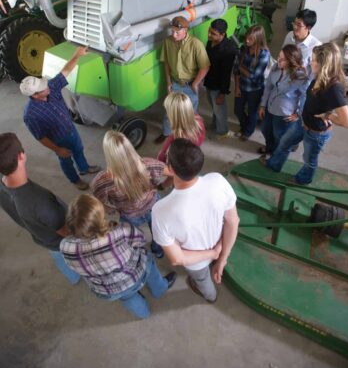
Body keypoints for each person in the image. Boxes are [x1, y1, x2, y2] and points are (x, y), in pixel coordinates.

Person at [60, 195, 177, 319]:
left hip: (109, 289)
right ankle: (160, 289)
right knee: (149, 260)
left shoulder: (65, 247)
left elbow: (73, 266)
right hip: (136, 273)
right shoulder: (121, 230)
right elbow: (140, 240)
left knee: (128, 297)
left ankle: (144, 314)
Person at [152, 139, 239, 303]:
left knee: (202, 279)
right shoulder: (218, 181)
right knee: (206, 277)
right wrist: (222, 258)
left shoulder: (160, 211)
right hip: (219, 241)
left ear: (169, 169)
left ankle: (210, 296)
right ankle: (210, 294)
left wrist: (213, 254)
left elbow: (177, 259)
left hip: (196, 262)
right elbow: (233, 221)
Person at [261, 43, 348, 185]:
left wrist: (328, 116)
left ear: (324, 64)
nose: (311, 62)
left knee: (309, 159)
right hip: (302, 123)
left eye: (314, 60)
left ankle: (303, 179)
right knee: (284, 143)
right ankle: (274, 165)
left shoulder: (334, 87)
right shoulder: (319, 76)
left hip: (316, 132)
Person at [0, 132, 80, 284]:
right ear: (21, 156)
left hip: (40, 236)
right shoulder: (41, 202)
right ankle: (79, 273)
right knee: (66, 255)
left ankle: (73, 278)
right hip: (60, 241)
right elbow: (65, 231)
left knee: (58, 258)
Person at [20, 46, 100, 190]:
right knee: (65, 160)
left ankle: (84, 168)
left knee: (78, 149)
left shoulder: (50, 87)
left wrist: (77, 55)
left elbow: (65, 71)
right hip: (58, 139)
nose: (47, 86)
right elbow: (40, 137)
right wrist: (57, 149)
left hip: (71, 129)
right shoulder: (31, 115)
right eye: (43, 88)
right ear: (35, 95)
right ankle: (75, 180)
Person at [91, 130, 166, 259]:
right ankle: (157, 249)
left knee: (132, 236)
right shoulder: (148, 164)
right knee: (158, 230)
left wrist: (113, 210)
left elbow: (100, 202)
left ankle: (140, 255)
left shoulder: (101, 181)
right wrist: (160, 186)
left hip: (129, 214)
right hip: (154, 206)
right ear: (129, 147)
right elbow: (169, 172)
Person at [154, 16, 210, 144]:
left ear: (185, 30)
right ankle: (166, 133)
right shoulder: (168, 42)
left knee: (190, 113)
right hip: (175, 83)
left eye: (177, 32)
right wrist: (168, 82)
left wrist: (195, 83)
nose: (174, 35)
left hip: (190, 86)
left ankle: (188, 137)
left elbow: (205, 66)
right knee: (169, 111)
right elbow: (166, 63)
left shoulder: (196, 44)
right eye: (172, 31)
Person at [258, 44, 309, 155]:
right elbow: (268, 87)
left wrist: (299, 114)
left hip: (284, 112)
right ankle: (270, 147)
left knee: (279, 134)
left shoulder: (299, 76)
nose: (279, 60)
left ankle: (276, 153)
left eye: (283, 59)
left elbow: (305, 95)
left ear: (292, 61)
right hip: (270, 106)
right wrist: (263, 105)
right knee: (265, 129)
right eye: (279, 56)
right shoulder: (276, 67)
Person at [234, 25, 270, 140]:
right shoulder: (242, 49)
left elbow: (254, 77)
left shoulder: (264, 54)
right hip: (242, 86)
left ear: (258, 40)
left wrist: (241, 67)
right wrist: (237, 87)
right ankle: (244, 126)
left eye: (250, 39)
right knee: (237, 110)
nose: (246, 41)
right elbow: (235, 69)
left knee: (252, 112)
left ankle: (248, 132)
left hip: (255, 90)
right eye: (246, 38)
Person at [204, 19, 238, 137]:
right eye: (209, 31)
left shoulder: (228, 50)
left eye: (213, 33)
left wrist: (222, 93)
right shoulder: (210, 42)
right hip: (209, 80)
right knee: (214, 107)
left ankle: (222, 131)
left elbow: (226, 74)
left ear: (222, 34)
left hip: (218, 85)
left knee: (219, 110)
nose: (209, 35)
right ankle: (215, 125)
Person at [157, 91, 206, 163]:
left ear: (173, 115)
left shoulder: (177, 140)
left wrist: (160, 157)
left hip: (177, 166)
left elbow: (163, 158)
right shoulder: (198, 120)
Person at [282, 9, 321, 75]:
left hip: (300, 80)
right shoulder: (289, 35)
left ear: (308, 28)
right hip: (283, 73)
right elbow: (282, 54)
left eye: (299, 25)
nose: (294, 27)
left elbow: (315, 74)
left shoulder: (316, 46)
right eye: (294, 23)